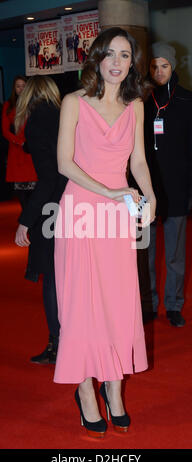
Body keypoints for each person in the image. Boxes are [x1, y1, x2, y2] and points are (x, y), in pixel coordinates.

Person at [53, 27, 156, 438]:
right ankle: (85, 391)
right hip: (80, 211)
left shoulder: (135, 106)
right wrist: (111, 192)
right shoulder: (74, 102)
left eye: (126, 55)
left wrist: (150, 198)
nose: (117, 62)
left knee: (118, 304)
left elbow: (140, 162)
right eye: (110, 54)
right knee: (80, 306)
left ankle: (114, 390)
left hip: (116, 218)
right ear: (96, 58)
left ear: (132, 63)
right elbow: (64, 163)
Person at [14, 76, 67, 364]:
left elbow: (48, 177)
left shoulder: (36, 121)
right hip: (79, 200)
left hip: (54, 206)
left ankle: (57, 344)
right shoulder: (65, 115)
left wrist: (26, 219)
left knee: (51, 275)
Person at [142, 42, 192, 327]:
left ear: (173, 66)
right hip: (146, 189)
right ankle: (148, 303)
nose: (159, 72)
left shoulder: (186, 100)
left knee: (174, 254)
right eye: (154, 66)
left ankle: (174, 305)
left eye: (164, 65)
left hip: (177, 187)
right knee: (146, 253)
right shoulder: (141, 101)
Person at [1, 75, 37, 210]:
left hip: (32, 150)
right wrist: (19, 142)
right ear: (14, 89)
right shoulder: (8, 105)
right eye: (18, 86)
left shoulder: (34, 104)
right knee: (20, 190)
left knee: (34, 189)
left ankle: (32, 218)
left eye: (23, 86)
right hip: (16, 150)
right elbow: (5, 131)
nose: (21, 89)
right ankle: (26, 217)